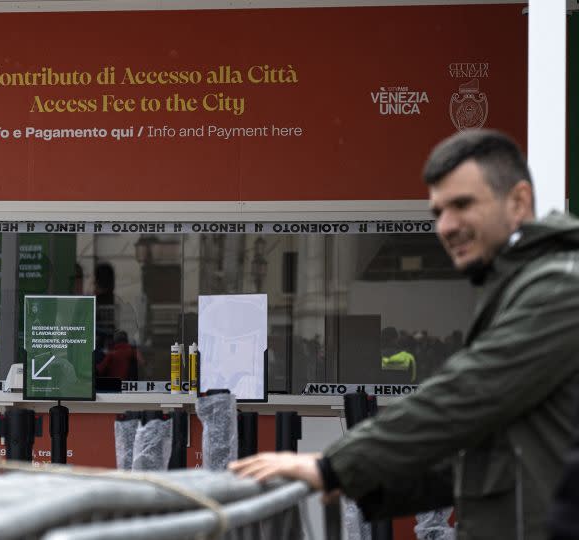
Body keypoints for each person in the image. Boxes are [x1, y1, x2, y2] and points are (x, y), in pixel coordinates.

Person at [230, 129, 579, 539]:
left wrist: (333, 467)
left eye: (462, 205)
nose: (446, 226)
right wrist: (355, 481)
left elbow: (467, 395)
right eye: (437, 212)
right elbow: (485, 458)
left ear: (519, 201)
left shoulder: (560, 286)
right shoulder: (517, 285)